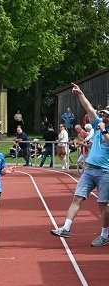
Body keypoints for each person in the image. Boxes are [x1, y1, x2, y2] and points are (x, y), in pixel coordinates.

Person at [51, 83, 109, 246]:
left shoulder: (103, 129)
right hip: (90, 170)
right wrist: (80, 94)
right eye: (103, 115)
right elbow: (90, 109)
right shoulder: (98, 124)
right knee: (77, 197)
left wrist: (104, 130)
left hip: (106, 172)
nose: (104, 117)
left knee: (102, 203)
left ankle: (105, 234)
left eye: (107, 116)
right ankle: (66, 228)